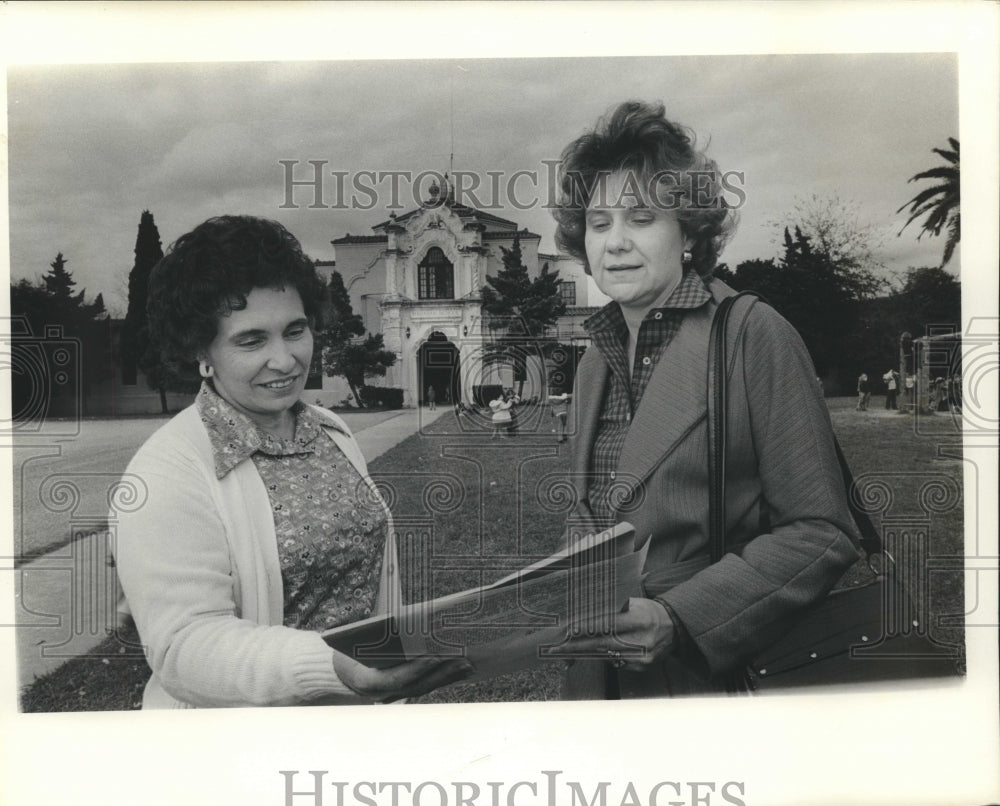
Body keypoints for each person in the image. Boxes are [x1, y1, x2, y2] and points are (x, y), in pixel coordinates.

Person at [549, 101, 861, 698]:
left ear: (688, 232)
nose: (614, 243)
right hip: (596, 682)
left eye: (641, 218)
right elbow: (590, 514)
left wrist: (678, 618)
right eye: (598, 222)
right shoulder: (594, 357)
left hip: (705, 679)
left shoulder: (753, 334)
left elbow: (823, 531)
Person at [113, 216, 471, 708]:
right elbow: (182, 647)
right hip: (239, 757)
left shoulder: (330, 431)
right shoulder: (166, 472)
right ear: (202, 350)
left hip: (361, 728)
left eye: (295, 330)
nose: (284, 360)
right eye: (251, 340)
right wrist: (327, 668)